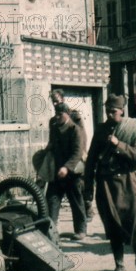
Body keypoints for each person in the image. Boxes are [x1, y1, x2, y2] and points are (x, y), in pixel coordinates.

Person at [84, 94, 136, 271]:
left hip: (128, 182)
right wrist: (88, 186)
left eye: (113, 111)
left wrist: (118, 144)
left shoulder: (134, 129)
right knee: (112, 225)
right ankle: (119, 266)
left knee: (135, 220)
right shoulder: (101, 130)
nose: (110, 114)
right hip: (106, 183)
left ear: (122, 110)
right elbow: (91, 160)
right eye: (107, 111)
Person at [45, 102, 88, 240]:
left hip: (72, 173)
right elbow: (52, 145)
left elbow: (77, 152)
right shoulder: (55, 127)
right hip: (57, 172)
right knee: (51, 200)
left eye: (60, 114)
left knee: (76, 201)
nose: (57, 117)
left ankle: (81, 230)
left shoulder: (75, 130)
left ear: (67, 114)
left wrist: (67, 167)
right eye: (56, 114)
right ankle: (50, 230)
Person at [50, 89, 93, 221]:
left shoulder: (74, 116)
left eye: (57, 101)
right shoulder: (53, 120)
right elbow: (52, 138)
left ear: (63, 99)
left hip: (76, 152)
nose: (56, 104)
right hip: (61, 156)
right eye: (53, 102)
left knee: (79, 185)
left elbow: (82, 135)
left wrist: (81, 152)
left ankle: (87, 207)